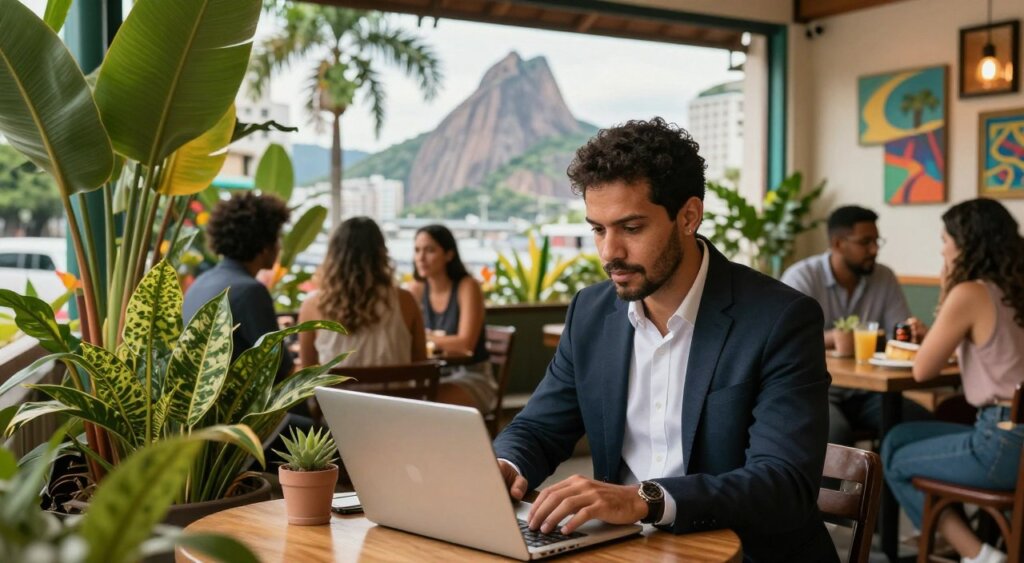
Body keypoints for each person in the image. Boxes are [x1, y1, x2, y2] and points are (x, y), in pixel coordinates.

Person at [492, 117, 836, 562]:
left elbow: (783, 482)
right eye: (598, 229)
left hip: (743, 552)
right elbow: (539, 427)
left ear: (688, 216)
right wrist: (506, 467)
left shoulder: (779, 319)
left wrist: (644, 500)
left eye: (631, 229)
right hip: (623, 550)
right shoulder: (590, 313)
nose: (608, 252)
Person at [882, 199, 1024, 563]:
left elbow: (922, 371)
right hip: (1013, 436)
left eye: (945, 240)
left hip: (1002, 444)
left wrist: (948, 288)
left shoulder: (970, 292)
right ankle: (975, 545)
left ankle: (977, 554)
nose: (942, 249)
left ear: (966, 243)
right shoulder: (1014, 290)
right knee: (899, 436)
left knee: (893, 456)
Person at [781, 205, 931, 445]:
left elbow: (898, 332)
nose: (874, 250)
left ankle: (887, 483)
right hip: (817, 391)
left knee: (919, 423)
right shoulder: (803, 277)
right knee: (834, 434)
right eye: (865, 242)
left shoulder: (884, 277)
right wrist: (833, 338)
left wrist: (913, 333)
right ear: (839, 243)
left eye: (876, 241)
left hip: (871, 392)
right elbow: (783, 341)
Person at [183, 192, 292, 382]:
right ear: (265, 245)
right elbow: (281, 370)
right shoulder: (250, 291)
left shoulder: (201, 282)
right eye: (277, 238)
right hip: (237, 410)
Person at [298, 217, 426, 367]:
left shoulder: (313, 305)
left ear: (333, 256)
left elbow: (306, 376)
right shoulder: (405, 300)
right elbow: (421, 364)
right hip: (395, 391)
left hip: (335, 391)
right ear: (381, 253)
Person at [407, 224, 497, 411]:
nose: (421, 258)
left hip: (472, 377)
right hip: (433, 376)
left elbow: (465, 344)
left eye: (430, 250)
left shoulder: (467, 286)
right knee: (406, 397)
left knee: (422, 402)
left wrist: (424, 337)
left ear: (449, 254)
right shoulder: (416, 289)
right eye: (417, 250)